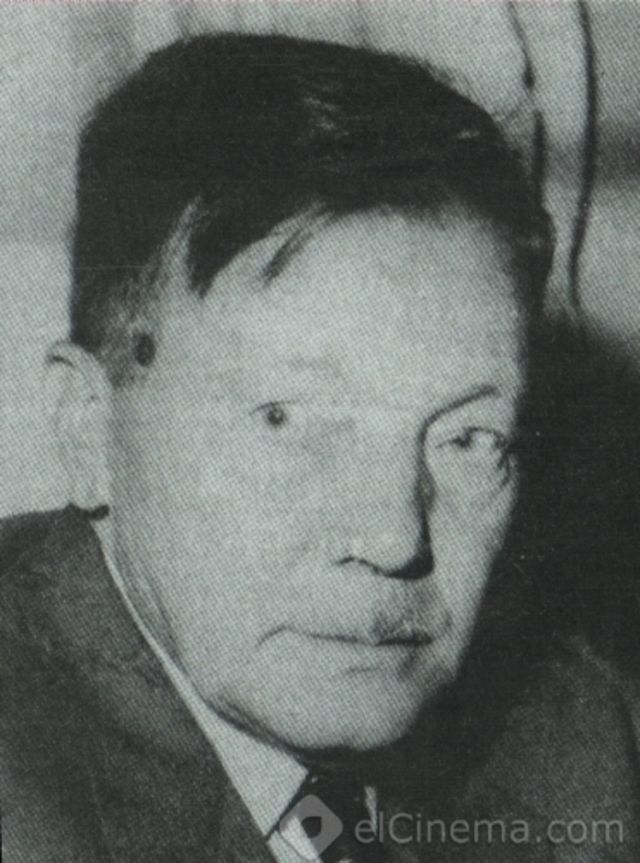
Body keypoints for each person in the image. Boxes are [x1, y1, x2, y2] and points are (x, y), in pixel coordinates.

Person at [0, 33, 638, 863]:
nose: (395, 539)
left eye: (467, 437)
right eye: (286, 419)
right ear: (88, 424)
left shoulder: (565, 746)